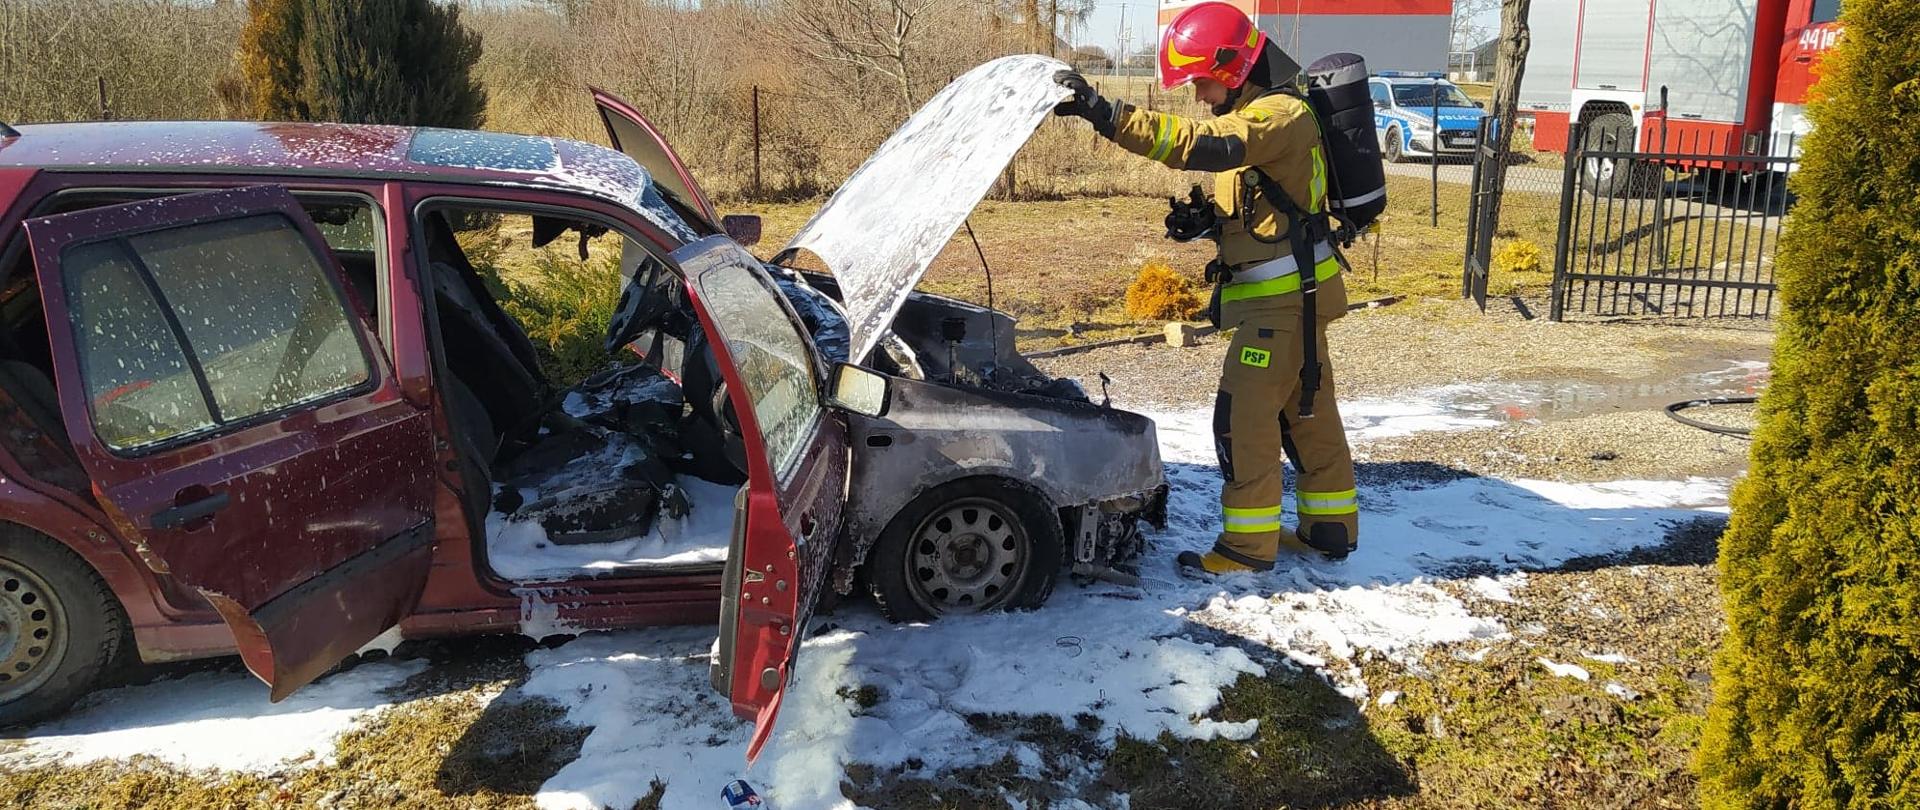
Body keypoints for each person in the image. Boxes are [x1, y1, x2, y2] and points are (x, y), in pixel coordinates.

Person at [1052, 1, 1359, 574]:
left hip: (1281, 307)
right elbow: (1270, 203)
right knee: (1308, 416)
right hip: (1299, 300)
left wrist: (1107, 114)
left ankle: (1247, 548)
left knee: (1243, 421)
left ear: (1232, 66)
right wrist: (1211, 223)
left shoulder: (1275, 116)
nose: (1197, 95)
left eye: (1200, 81)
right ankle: (1330, 529)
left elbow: (1201, 143)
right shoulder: (1266, 112)